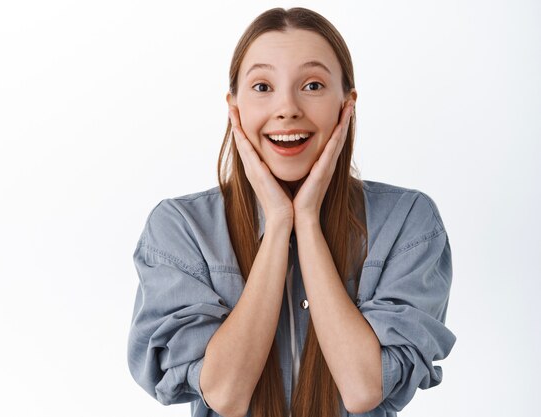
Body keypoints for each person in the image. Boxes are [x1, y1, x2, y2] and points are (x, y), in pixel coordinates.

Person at [127, 7, 456, 417]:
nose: (287, 108)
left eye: (313, 85)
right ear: (235, 108)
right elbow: (225, 393)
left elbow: (363, 388)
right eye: (263, 86)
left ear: (346, 103)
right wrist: (280, 223)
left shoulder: (409, 220)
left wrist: (309, 223)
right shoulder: (180, 228)